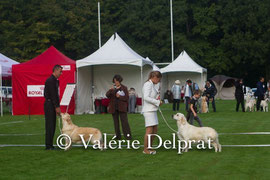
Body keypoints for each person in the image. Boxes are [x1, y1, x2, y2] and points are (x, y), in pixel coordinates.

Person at [142, 71, 162, 154]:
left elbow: (151, 96)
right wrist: (157, 102)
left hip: (153, 110)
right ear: (154, 77)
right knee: (149, 130)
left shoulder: (152, 85)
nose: (159, 81)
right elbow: (146, 97)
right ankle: (145, 149)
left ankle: (149, 147)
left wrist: (157, 99)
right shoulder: (148, 84)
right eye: (159, 79)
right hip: (148, 110)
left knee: (154, 130)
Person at [106, 74, 132, 140]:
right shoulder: (112, 88)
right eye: (115, 81)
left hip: (122, 108)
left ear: (120, 81)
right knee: (116, 123)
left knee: (125, 123)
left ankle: (128, 136)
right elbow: (107, 95)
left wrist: (119, 96)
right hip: (114, 108)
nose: (116, 82)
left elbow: (126, 98)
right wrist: (110, 90)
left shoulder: (124, 88)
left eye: (117, 81)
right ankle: (118, 136)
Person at [44, 65, 62, 150]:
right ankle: (48, 145)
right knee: (50, 125)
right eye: (60, 71)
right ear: (56, 70)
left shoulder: (55, 81)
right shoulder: (50, 80)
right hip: (49, 104)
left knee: (53, 124)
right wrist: (57, 106)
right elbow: (53, 95)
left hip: (52, 103)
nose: (61, 73)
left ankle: (50, 144)